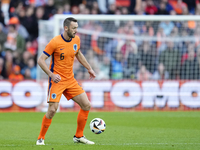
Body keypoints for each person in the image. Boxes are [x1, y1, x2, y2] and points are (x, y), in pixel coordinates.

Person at [36, 17, 96, 145]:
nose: (76, 30)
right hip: (57, 81)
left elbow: (78, 53)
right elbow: (41, 60)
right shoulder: (55, 42)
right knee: (52, 110)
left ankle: (79, 136)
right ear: (66, 28)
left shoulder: (76, 40)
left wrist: (89, 68)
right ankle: (41, 138)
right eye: (74, 28)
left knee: (86, 105)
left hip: (70, 80)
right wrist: (51, 75)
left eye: (77, 28)